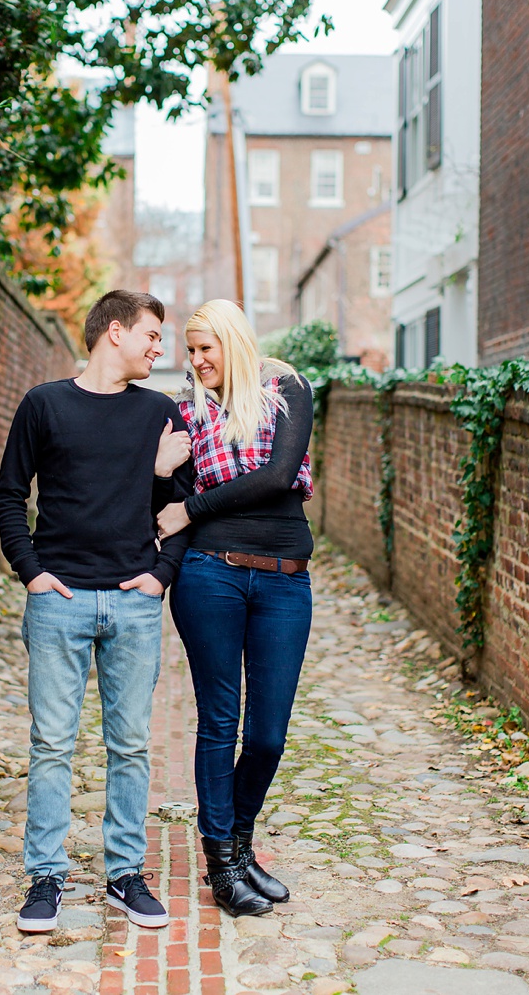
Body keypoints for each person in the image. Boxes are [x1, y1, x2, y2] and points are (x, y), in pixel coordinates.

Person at [0, 290, 195, 933]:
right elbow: (8, 495)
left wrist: (160, 576)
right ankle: (45, 878)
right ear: (115, 332)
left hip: (133, 604)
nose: (160, 348)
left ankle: (124, 874)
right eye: (152, 335)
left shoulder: (160, 413)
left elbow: (180, 508)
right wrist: (32, 573)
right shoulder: (44, 405)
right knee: (52, 744)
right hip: (61, 602)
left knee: (130, 745)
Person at [153, 299, 315, 917]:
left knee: (269, 733)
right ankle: (222, 862)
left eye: (205, 349)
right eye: (189, 351)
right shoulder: (183, 412)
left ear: (233, 341)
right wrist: (165, 481)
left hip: (283, 582)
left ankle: (240, 841)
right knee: (220, 723)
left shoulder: (287, 389)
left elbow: (278, 477)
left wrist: (194, 508)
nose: (196, 361)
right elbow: (164, 495)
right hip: (209, 578)